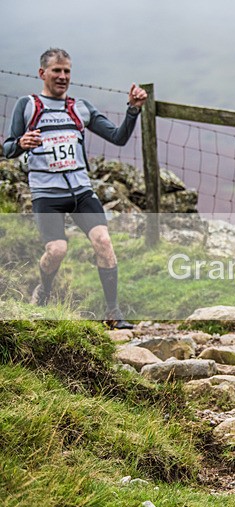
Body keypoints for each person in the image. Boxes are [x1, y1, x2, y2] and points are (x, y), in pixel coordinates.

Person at [2, 48, 148, 329]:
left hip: (81, 191)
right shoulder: (28, 105)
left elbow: (118, 138)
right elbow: (8, 147)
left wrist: (133, 109)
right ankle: (43, 291)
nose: (62, 76)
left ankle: (113, 312)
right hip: (47, 194)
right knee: (56, 250)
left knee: (104, 242)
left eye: (67, 71)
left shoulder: (80, 108)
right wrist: (21, 144)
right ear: (42, 73)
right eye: (56, 70)